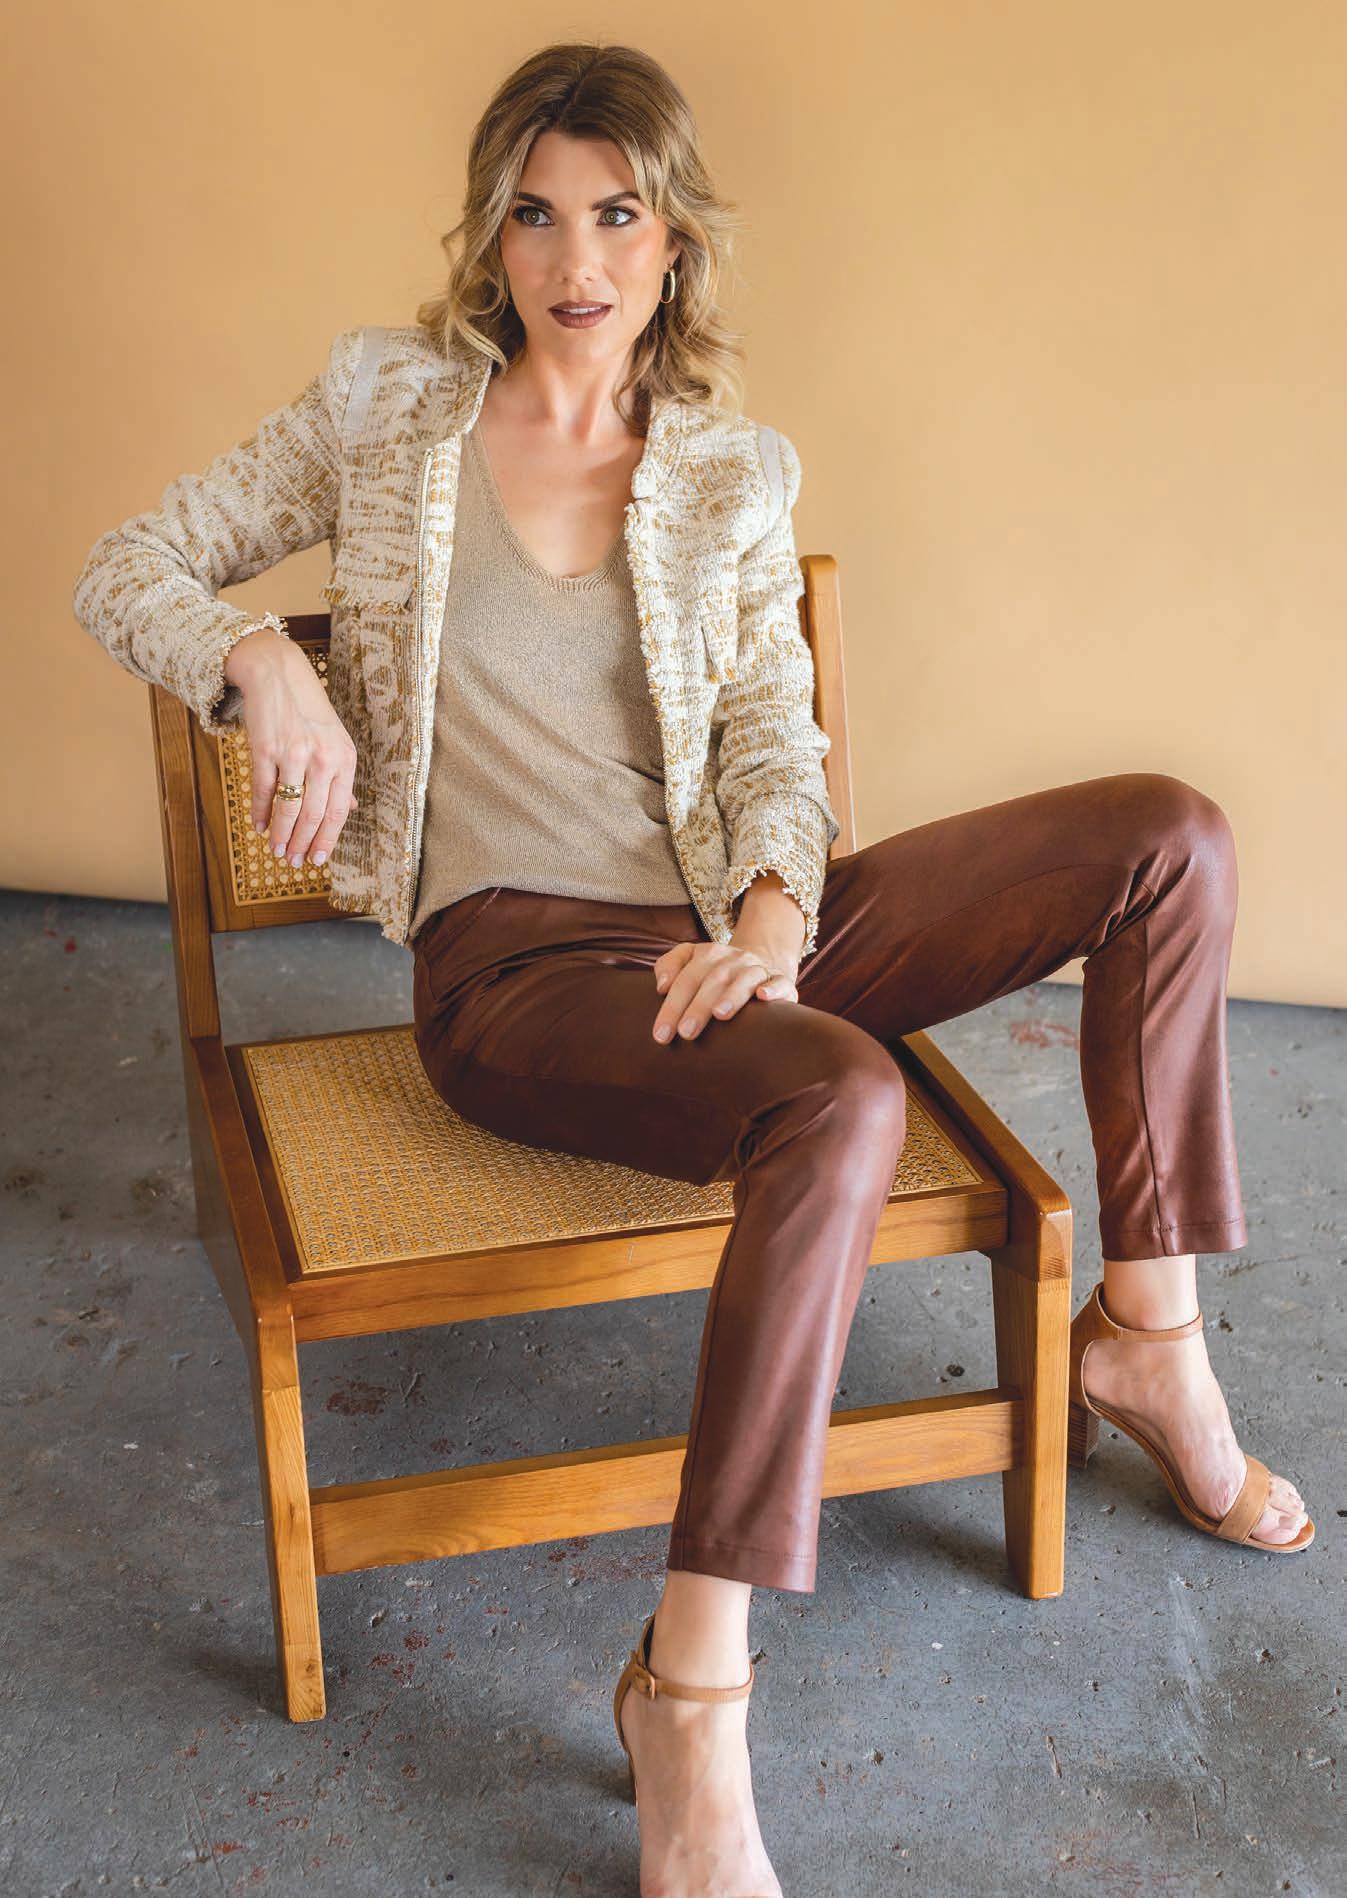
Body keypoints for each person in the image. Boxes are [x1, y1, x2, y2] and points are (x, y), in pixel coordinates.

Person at [73, 39, 1312, 1898]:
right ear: (490, 231)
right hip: (522, 969)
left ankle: (1149, 1337)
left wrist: (768, 929)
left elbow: (767, 746)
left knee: (1171, 835)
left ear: (674, 240)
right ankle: (694, 1693)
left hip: (729, 931)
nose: (574, 259)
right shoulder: (386, 411)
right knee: (846, 1099)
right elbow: (128, 563)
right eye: (534, 214)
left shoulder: (730, 469)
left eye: (617, 213)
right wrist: (258, 663)